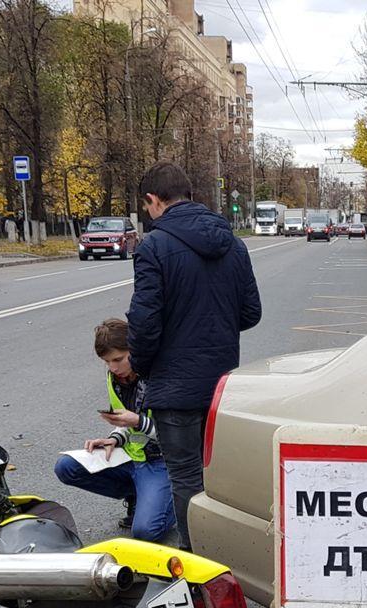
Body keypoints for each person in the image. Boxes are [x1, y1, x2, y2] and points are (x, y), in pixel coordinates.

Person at [127, 161, 261, 550]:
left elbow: (145, 321)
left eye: (147, 206)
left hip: (175, 385)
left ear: (154, 200)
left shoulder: (153, 246)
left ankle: (197, 562)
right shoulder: (233, 244)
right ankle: (227, 553)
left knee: (184, 476)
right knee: (214, 474)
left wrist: (142, 366)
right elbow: (251, 313)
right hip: (221, 385)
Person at [54, 318, 176, 541]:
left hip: (162, 461)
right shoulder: (116, 377)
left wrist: (138, 422)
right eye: (106, 361)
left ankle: (176, 502)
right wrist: (114, 439)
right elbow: (125, 422)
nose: (112, 367)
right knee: (66, 467)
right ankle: (138, 494)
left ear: (135, 350)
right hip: (132, 456)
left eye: (118, 359)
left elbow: (178, 435)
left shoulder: (160, 375)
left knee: (146, 532)